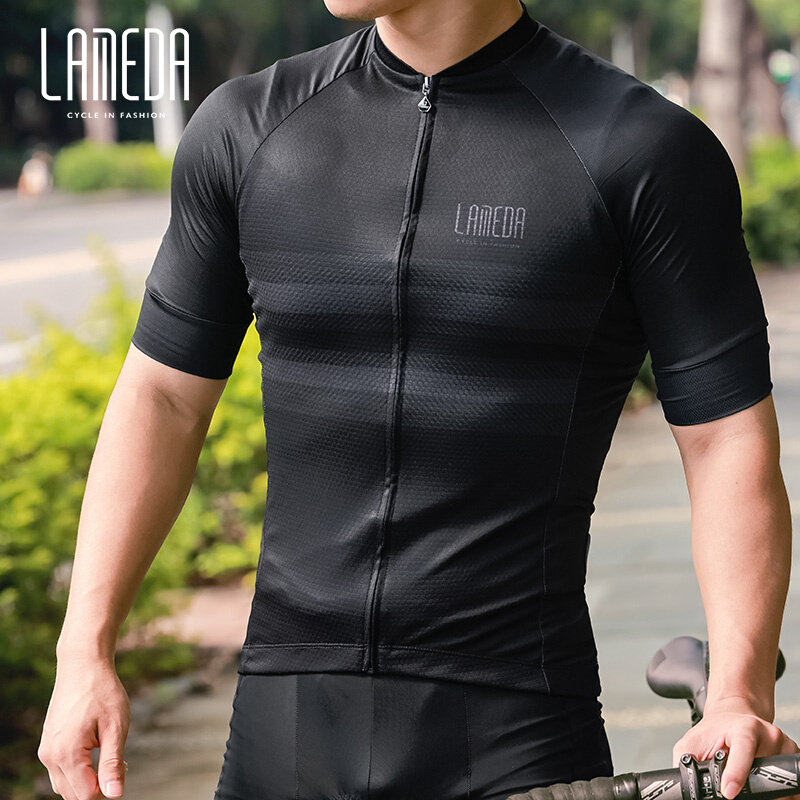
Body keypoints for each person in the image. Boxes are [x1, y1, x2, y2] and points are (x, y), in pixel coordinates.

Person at [38, 0, 798, 799]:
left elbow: (724, 437)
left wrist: (737, 693)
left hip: (514, 730)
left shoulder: (641, 148)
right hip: (282, 728)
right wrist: (83, 650)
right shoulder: (249, 126)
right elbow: (162, 395)